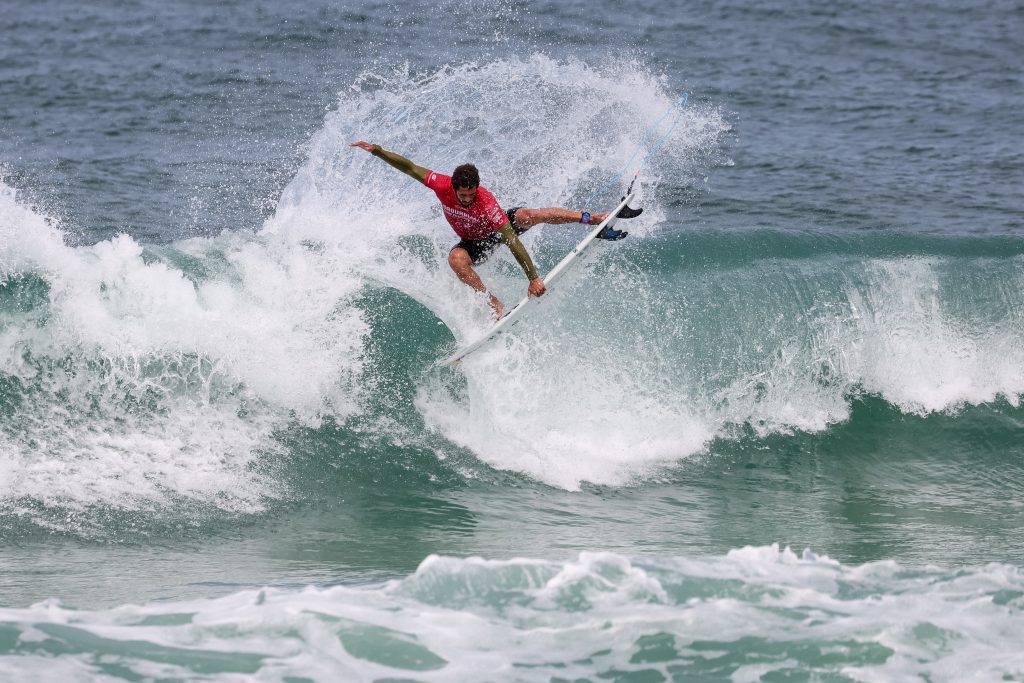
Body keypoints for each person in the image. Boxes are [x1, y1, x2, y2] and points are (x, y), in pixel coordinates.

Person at [351, 141, 640, 319]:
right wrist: (377, 151)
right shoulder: (442, 185)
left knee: (529, 214)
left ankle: (595, 219)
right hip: (474, 243)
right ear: (454, 187)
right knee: (456, 260)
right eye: (462, 195)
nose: (466, 199)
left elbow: (512, 240)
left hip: (496, 232)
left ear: (477, 188)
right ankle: (492, 302)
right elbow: (410, 167)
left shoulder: (486, 202)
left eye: (470, 194)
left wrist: (533, 278)